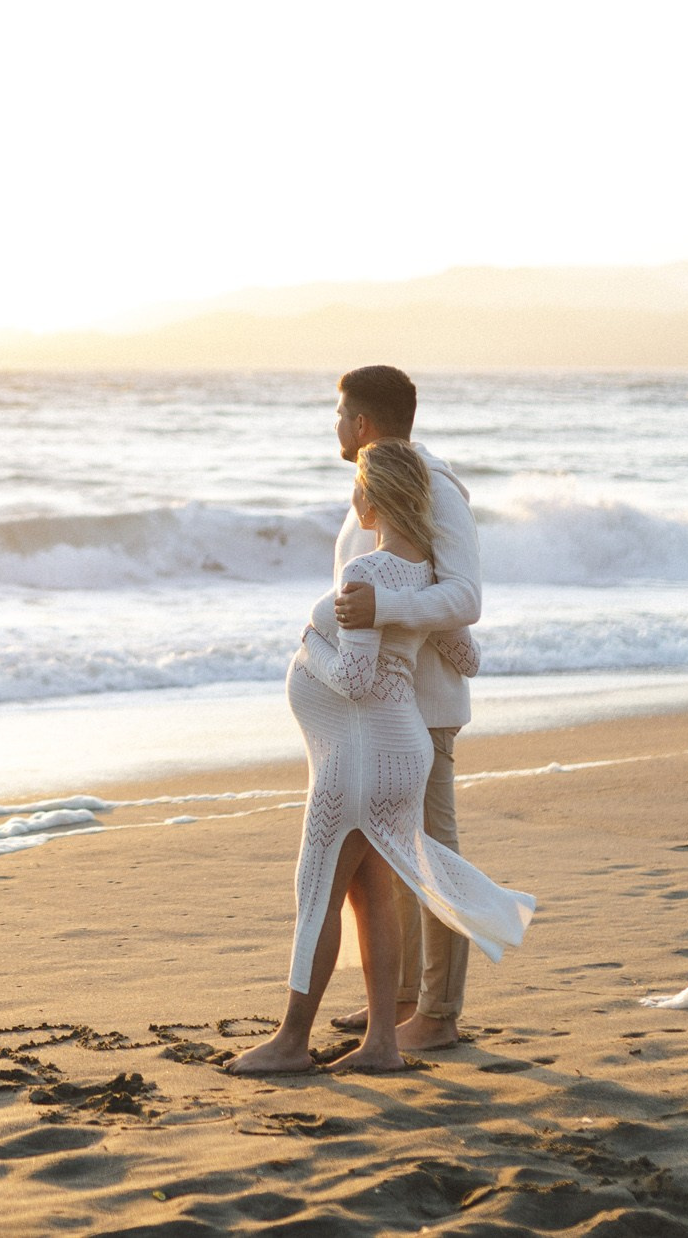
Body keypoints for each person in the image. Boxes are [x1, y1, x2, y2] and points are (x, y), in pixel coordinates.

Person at [229, 437, 533, 1074]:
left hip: (360, 758)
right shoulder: (427, 577)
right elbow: (467, 657)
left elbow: (359, 681)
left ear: (374, 498)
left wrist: (311, 647)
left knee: (316, 892)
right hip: (402, 752)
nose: (352, 497)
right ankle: (382, 1045)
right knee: (371, 893)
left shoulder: (365, 574)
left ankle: (290, 1042)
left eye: (357, 488)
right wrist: (410, 630)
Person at [328, 364, 486, 1052]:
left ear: (363, 421)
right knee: (386, 857)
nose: (333, 424)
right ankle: (394, 997)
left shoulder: (436, 484)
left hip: (424, 707)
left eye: (340, 412)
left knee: (431, 857)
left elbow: (465, 596)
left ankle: (440, 1013)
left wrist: (384, 606)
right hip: (380, 705)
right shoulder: (381, 477)